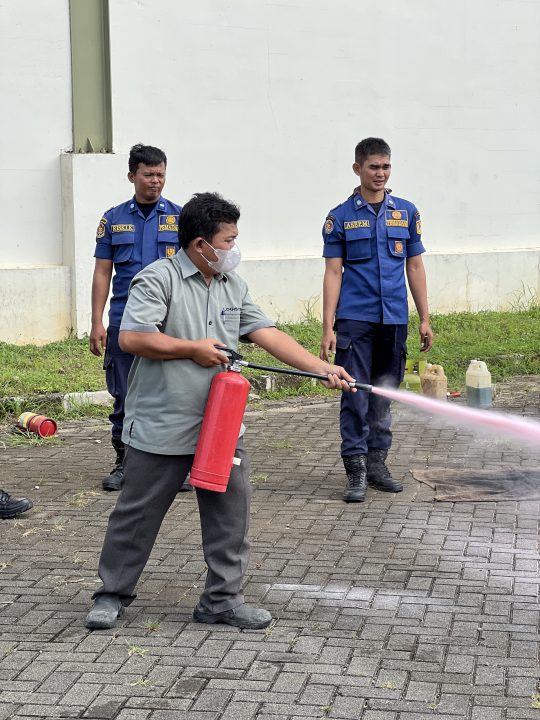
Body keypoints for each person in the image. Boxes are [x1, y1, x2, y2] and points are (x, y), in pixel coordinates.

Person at [85, 192, 355, 631]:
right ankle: (111, 593)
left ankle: (222, 600)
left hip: (220, 422)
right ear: (200, 245)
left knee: (230, 512)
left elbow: (266, 332)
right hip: (162, 419)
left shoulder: (233, 285)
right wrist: (191, 350)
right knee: (137, 512)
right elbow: (132, 338)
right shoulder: (158, 280)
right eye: (228, 240)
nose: (233, 248)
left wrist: (321, 368)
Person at [320, 137, 433, 504]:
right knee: (354, 393)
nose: (380, 174)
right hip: (355, 321)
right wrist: (327, 327)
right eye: (373, 167)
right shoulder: (339, 217)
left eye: (385, 167)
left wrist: (424, 318)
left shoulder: (407, 212)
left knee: (384, 393)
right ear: (358, 169)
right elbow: (333, 273)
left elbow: (414, 266)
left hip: (394, 320)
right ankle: (355, 468)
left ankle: (377, 463)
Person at [90, 144, 184, 491]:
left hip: (170, 322)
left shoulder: (180, 217)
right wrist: (97, 322)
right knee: (125, 396)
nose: (155, 181)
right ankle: (124, 462)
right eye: (148, 174)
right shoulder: (113, 219)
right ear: (132, 176)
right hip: (124, 321)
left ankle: (176, 468)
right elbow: (103, 273)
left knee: (174, 393)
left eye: (160, 174)